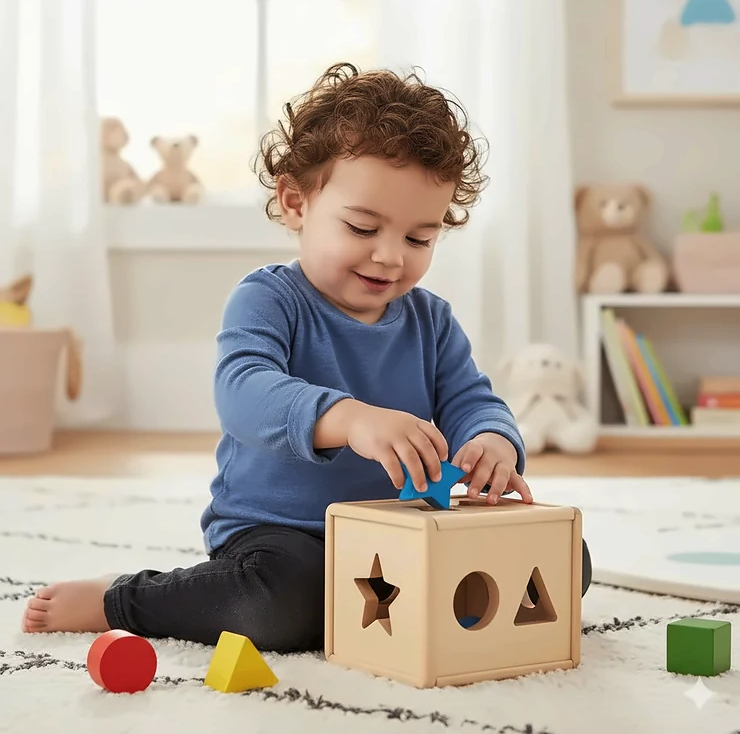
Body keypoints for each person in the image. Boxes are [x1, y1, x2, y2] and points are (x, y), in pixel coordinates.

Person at [22, 63, 591, 651]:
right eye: (363, 227)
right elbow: (243, 390)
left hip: (406, 532)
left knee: (563, 561)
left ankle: (417, 604)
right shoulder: (269, 298)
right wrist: (351, 419)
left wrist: (493, 441)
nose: (392, 257)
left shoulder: (432, 319)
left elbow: (472, 399)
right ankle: (126, 598)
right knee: (281, 605)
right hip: (285, 535)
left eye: (420, 238)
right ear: (296, 203)